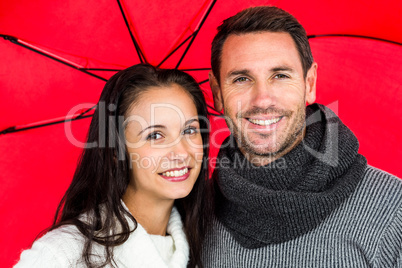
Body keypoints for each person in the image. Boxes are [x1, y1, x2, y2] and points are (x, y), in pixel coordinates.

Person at [202, 6, 402, 267]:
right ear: (217, 92)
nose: (262, 99)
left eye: (280, 75)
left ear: (309, 84)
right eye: (241, 79)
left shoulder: (390, 207)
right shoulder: (198, 212)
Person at [15, 64, 212, 268]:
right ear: (117, 150)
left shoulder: (208, 247)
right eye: (155, 135)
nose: (181, 152)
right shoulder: (62, 255)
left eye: (189, 130)